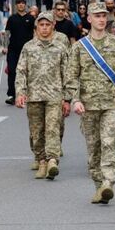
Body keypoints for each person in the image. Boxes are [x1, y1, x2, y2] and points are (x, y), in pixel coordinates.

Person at [66, 2, 115, 204]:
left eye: (104, 16)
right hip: (88, 106)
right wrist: (75, 100)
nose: (101, 19)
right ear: (89, 19)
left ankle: (108, 183)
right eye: (97, 16)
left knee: (108, 143)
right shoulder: (79, 47)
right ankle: (98, 185)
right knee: (93, 148)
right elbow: (71, 77)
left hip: (111, 106)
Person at [15, 12, 70, 180]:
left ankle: (52, 160)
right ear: (37, 27)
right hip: (34, 96)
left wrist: (67, 98)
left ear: (53, 26)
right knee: (36, 132)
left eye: (48, 25)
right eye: (41, 25)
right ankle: (41, 160)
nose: (45, 28)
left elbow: (67, 74)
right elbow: (21, 71)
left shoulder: (60, 48)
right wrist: (20, 92)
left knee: (53, 128)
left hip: (55, 96)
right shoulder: (28, 47)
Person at [4, 0, 35, 105]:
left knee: (28, 72)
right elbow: (7, 33)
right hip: (13, 49)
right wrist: (5, 46)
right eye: (18, 3)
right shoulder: (12, 18)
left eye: (22, 3)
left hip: (27, 50)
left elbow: (35, 33)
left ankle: (26, 93)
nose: (21, 5)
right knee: (12, 71)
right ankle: (12, 94)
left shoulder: (31, 18)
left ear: (25, 5)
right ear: (16, 5)